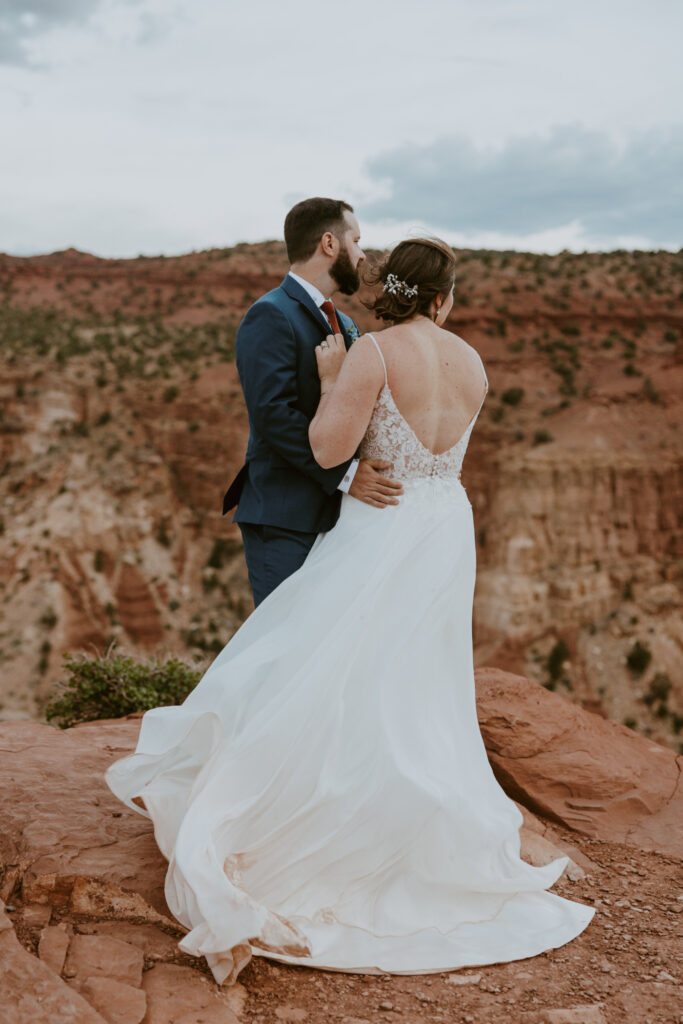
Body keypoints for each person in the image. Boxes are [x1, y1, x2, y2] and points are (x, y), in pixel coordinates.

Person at [105, 236, 594, 987]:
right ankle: (409, 811)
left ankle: (320, 804)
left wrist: (334, 377)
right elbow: (441, 450)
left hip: (383, 520)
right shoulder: (472, 362)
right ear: (444, 297)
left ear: (395, 289)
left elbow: (329, 450)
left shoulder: (371, 352)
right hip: (442, 523)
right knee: (415, 671)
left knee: (331, 654)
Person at [223, 196, 403, 607]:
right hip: (285, 517)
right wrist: (346, 475)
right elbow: (273, 415)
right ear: (329, 244)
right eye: (356, 240)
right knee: (285, 647)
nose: (361, 254)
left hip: (339, 517)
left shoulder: (347, 323)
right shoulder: (270, 314)